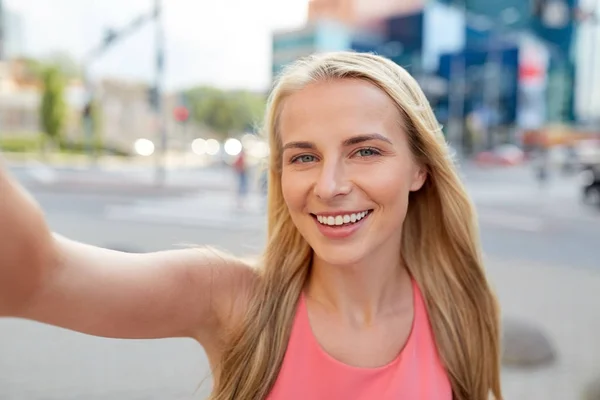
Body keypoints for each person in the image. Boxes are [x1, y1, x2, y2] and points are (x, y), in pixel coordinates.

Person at [0, 52, 502, 400]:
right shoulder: (235, 300)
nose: (329, 185)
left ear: (421, 169)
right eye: (304, 157)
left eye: (365, 151)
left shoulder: (457, 306)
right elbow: (41, 277)